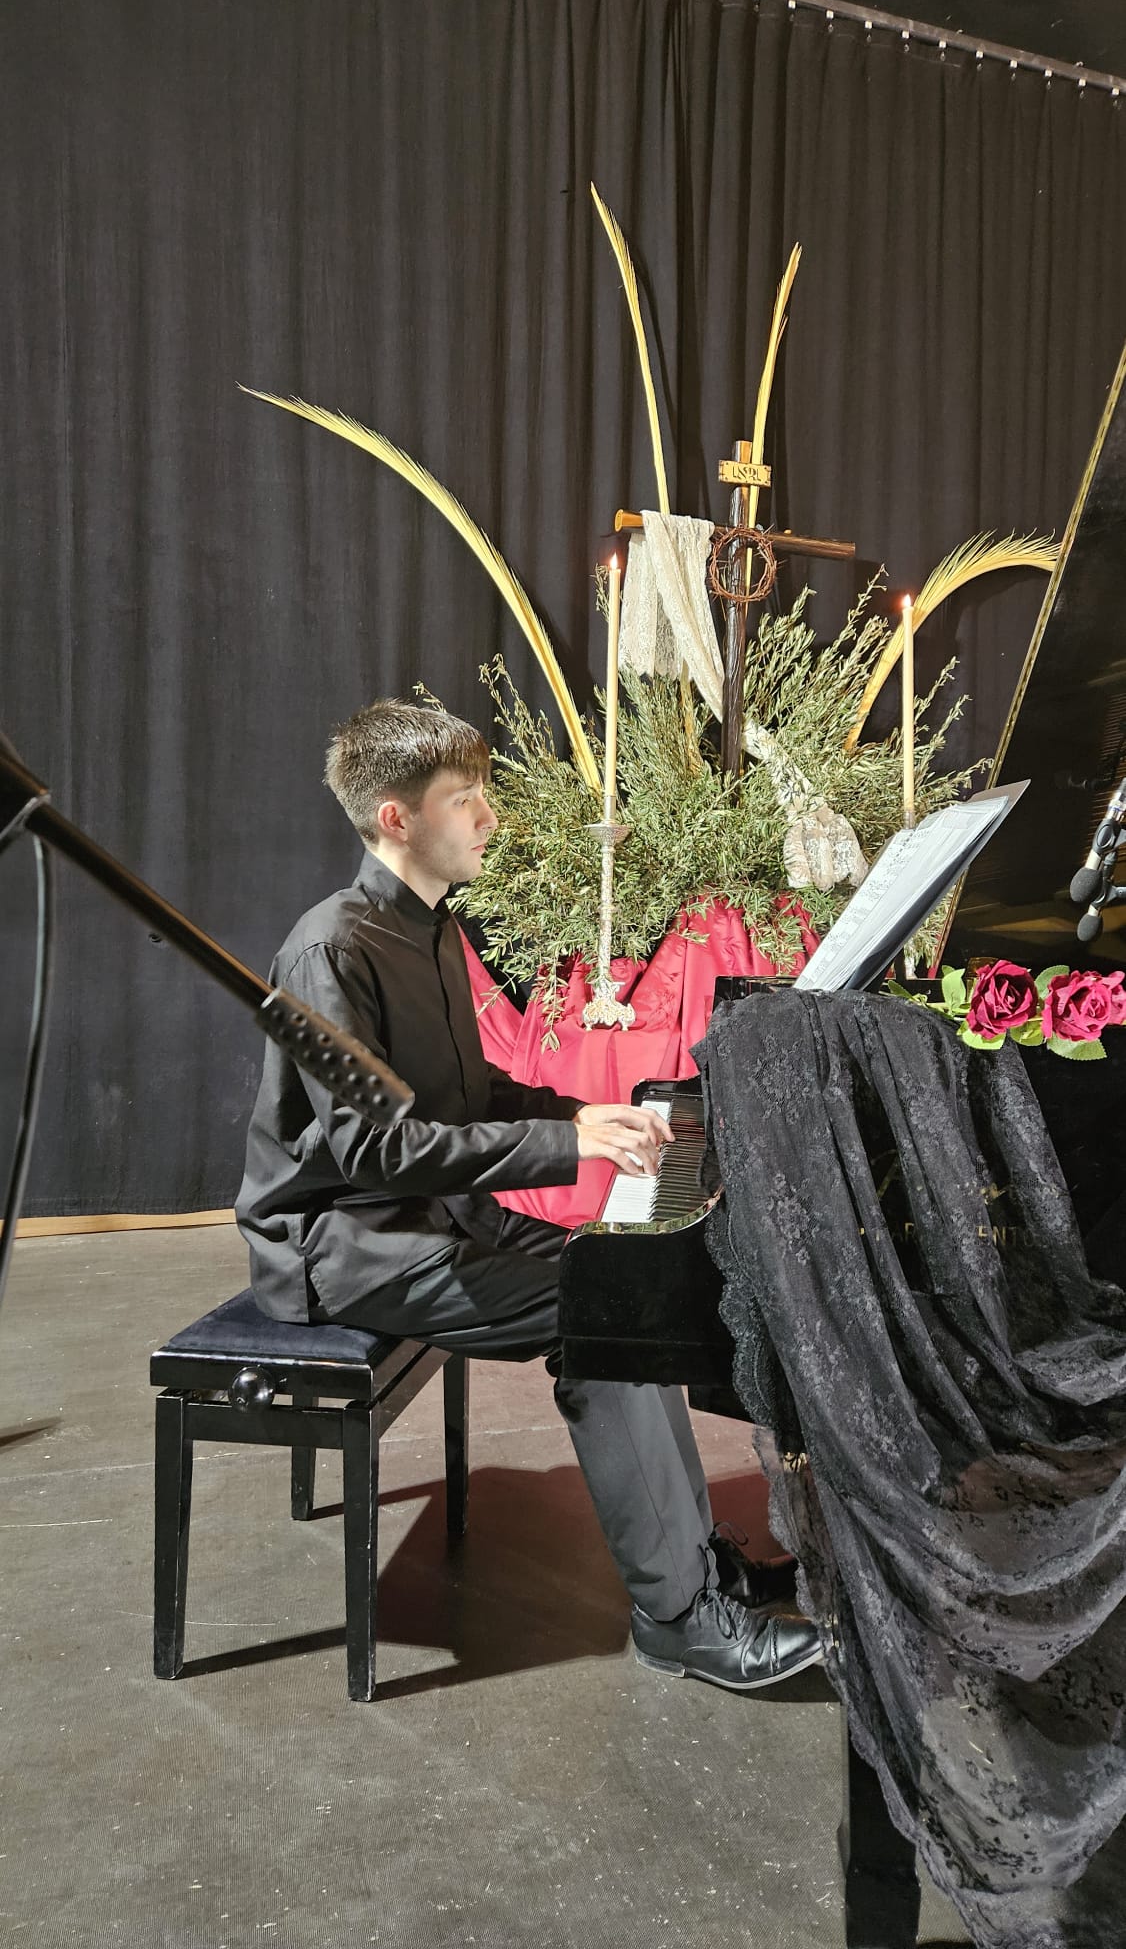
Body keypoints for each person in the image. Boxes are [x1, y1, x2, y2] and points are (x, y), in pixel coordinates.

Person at [236, 699, 822, 1692]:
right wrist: (568, 1142)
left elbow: (475, 1095)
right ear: (395, 819)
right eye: (463, 799)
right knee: (602, 1320)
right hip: (343, 1245)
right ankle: (679, 1616)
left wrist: (593, 1111)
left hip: (436, 1219)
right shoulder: (327, 950)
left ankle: (697, 1564)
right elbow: (373, 1149)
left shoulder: (428, 929)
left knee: (631, 1285)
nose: (489, 818)